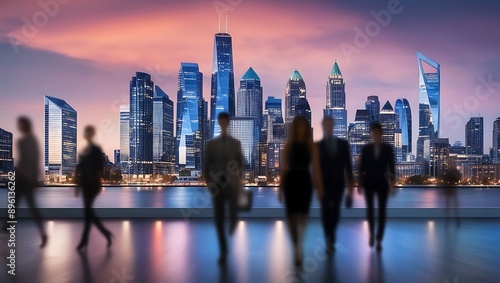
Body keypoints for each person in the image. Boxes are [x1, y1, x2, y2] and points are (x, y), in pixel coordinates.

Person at [280, 116, 323, 266]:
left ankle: (299, 248)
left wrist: (319, 187)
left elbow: (316, 168)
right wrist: (280, 188)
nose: (300, 129)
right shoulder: (288, 145)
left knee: (302, 216)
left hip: (305, 180)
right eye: (297, 126)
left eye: (302, 126)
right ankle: (296, 244)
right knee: (291, 217)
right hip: (290, 181)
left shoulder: (311, 146)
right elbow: (284, 168)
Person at [203, 112, 244, 265]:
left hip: (232, 184)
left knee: (232, 215)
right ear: (219, 123)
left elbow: (240, 164)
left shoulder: (236, 144)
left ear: (228, 122)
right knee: (218, 219)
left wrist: (239, 182)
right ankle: (224, 251)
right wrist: (208, 182)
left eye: (226, 120)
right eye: (222, 121)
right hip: (217, 185)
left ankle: (233, 221)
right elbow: (207, 165)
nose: (224, 123)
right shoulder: (211, 144)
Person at [7, 117, 47, 247]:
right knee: (15, 205)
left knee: (27, 206)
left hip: (27, 179)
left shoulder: (29, 141)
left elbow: (34, 159)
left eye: (22, 125)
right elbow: (24, 161)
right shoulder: (22, 141)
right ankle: (6, 228)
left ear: (26, 126)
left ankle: (43, 233)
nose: (20, 127)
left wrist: (35, 178)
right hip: (22, 178)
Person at [316, 117, 354, 254]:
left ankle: (331, 235)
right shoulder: (317, 146)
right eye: (326, 125)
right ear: (323, 126)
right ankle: (329, 238)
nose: (328, 127)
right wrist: (318, 186)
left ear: (333, 126)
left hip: (338, 184)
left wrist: (350, 190)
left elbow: (348, 167)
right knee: (326, 212)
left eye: (330, 125)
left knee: (336, 212)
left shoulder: (343, 144)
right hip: (324, 185)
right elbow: (316, 169)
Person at [358, 122, 395, 252]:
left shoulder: (388, 148)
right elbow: (361, 168)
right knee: (370, 211)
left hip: (382, 183)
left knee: (382, 212)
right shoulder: (366, 149)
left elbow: (391, 167)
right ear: (372, 134)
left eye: (378, 132)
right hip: (368, 183)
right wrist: (359, 183)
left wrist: (392, 184)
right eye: (374, 132)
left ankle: (379, 239)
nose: (376, 134)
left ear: (381, 133)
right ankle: (372, 235)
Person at [75, 125, 112, 250]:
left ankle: (85, 239)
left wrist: (101, 180)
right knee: (88, 212)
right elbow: (79, 167)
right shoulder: (84, 149)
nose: (87, 134)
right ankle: (105, 233)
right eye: (86, 132)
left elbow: (100, 167)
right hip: (86, 183)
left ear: (92, 134)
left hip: (93, 184)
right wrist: (77, 184)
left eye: (89, 132)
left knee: (88, 212)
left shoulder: (96, 149)